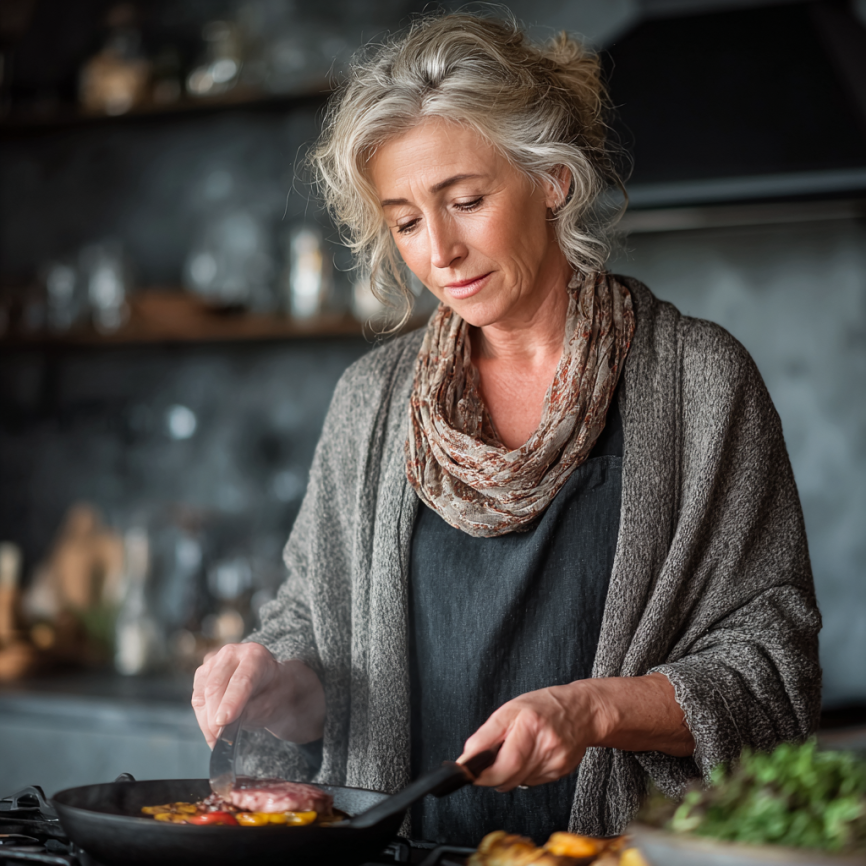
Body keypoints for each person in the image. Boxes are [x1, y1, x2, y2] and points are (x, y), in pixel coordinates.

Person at [192, 12, 821, 844]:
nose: (440, 252)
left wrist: (591, 710)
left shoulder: (700, 384)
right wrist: (275, 684)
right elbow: (320, 640)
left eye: (466, 200)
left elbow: (772, 671)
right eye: (407, 220)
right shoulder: (372, 402)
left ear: (552, 179)